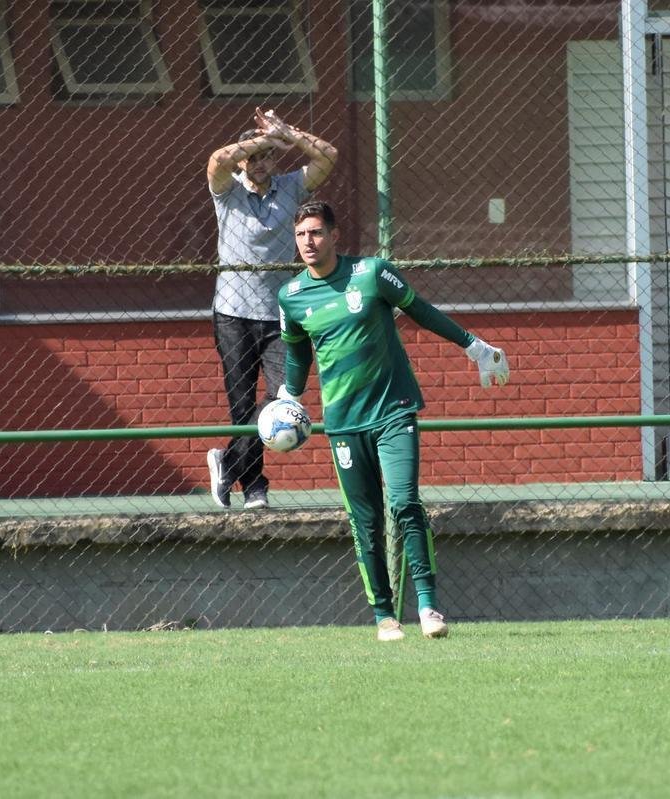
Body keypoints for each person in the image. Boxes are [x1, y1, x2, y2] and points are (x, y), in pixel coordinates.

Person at [277, 201, 510, 641]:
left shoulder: (370, 274)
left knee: (403, 502)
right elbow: (297, 353)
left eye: (317, 233)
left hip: (393, 410)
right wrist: (287, 397)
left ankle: (428, 606)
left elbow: (420, 310)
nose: (309, 242)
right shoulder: (290, 296)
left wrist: (475, 348)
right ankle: (384, 615)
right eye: (301, 234)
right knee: (364, 521)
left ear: (334, 235)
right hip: (343, 425)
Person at [206, 107, 338, 510]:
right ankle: (256, 487)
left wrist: (288, 133)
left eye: (266, 156)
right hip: (232, 313)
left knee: (281, 400)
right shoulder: (227, 190)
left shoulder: (291, 188)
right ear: (244, 158)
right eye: (253, 156)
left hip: (280, 313)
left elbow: (327, 156)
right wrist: (262, 140)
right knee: (242, 404)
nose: (259, 163)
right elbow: (216, 161)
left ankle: (226, 463)